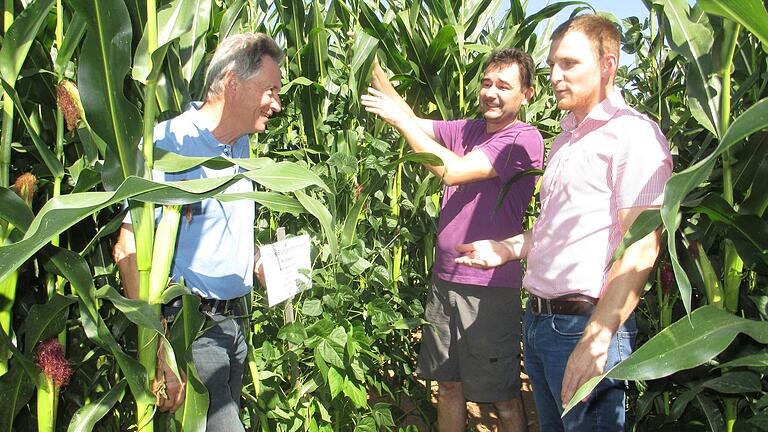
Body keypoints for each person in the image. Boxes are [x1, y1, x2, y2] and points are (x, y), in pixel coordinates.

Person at [455, 15, 673, 431]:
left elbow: (643, 245)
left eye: (569, 64)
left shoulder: (633, 137)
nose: (554, 75)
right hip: (539, 324)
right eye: (553, 63)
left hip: (583, 326)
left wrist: (597, 339)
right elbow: (556, 232)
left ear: (607, 65)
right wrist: (504, 248)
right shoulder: (567, 138)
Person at [362, 49, 544, 432]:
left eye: (504, 86)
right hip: (445, 282)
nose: (491, 92)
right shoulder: (470, 130)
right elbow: (411, 118)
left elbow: (453, 171)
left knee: (503, 398)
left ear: (526, 94)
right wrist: (369, 59)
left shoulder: (522, 140)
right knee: (448, 387)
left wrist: (400, 122)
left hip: (488, 290)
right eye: (487, 83)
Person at [112, 32, 283, 430]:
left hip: (234, 324)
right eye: (270, 90)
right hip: (189, 329)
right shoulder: (169, 143)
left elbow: (216, 228)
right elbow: (128, 250)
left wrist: (254, 260)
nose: (277, 103)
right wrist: (160, 355)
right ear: (232, 84)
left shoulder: (238, 142)